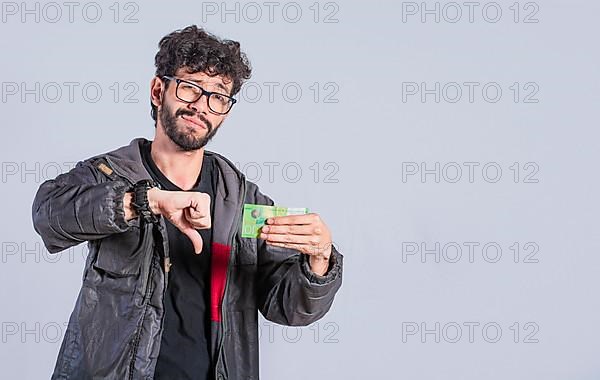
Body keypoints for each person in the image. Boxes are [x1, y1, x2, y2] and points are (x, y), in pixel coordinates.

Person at [32, 25, 343, 380]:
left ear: (225, 111)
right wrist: (142, 202)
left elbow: (288, 307)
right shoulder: (110, 173)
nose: (201, 106)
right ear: (158, 90)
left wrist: (320, 261)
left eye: (218, 96)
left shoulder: (241, 199)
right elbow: (47, 213)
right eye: (190, 87)